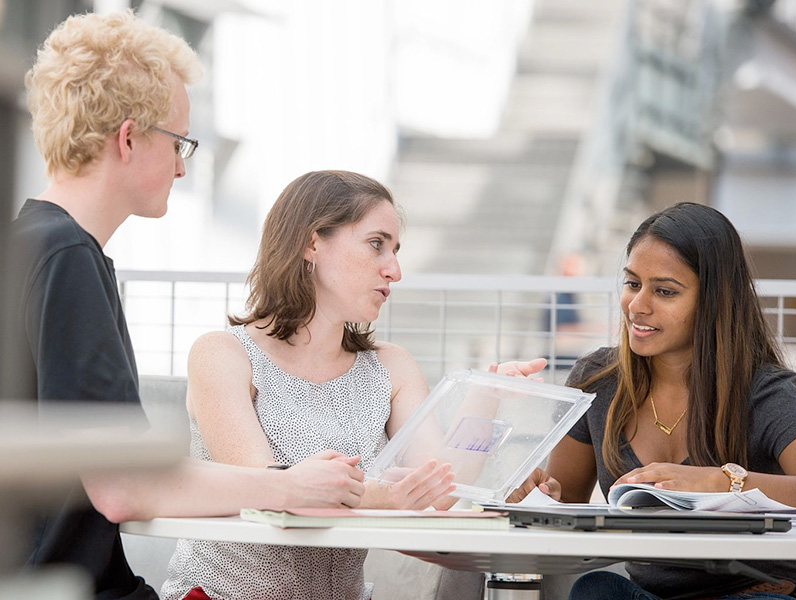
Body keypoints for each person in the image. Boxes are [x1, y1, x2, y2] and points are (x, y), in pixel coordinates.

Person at [3, 12, 365, 600]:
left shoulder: (29, 243)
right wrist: (289, 487)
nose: (181, 164)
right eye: (179, 141)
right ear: (128, 137)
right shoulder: (67, 254)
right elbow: (122, 486)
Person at [160, 170, 547, 600]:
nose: (395, 270)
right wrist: (386, 497)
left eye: (396, 250)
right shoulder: (223, 354)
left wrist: (485, 396)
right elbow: (266, 489)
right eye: (376, 244)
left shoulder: (391, 367)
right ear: (312, 243)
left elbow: (441, 491)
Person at [511, 202, 796, 600]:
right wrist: (534, 493)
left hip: (757, 592)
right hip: (652, 597)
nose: (638, 305)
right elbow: (566, 502)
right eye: (632, 284)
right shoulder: (598, 381)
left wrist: (722, 482)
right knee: (596, 589)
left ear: (715, 300)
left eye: (664, 291)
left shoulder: (767, 393)